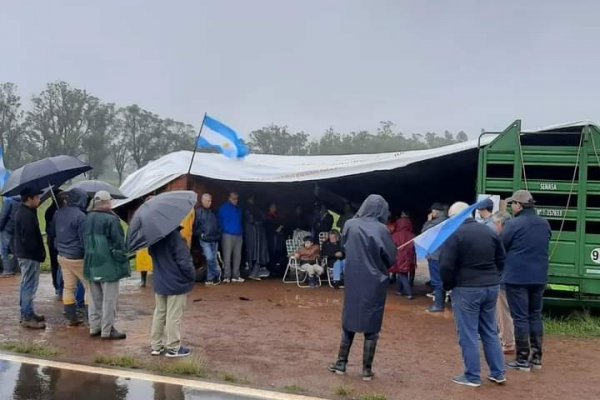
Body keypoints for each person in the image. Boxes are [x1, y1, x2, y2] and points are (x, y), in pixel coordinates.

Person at [328, 195, 396, 381]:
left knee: (349, 321)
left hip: (353, 278)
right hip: (374, 282)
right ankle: (366, 370)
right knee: (372, 327)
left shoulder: (350, 224)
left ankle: (341, 363)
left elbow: (345, 246)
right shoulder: (382, 229)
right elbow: (391, 259)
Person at [440, 202, 506, 387]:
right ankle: (498, 373)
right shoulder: (489, 231)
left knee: (468, 333)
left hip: (466, 289)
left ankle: (472, 376)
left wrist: (448, 286)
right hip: (491, 287)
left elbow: (446, 266)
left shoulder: (454, 234)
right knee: (490, 330)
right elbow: (501, 258)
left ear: (454, 217)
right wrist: (494, 277)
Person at [502, 190, 551, 372]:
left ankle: (522, 360)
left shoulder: (514, 224)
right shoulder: (544, 223)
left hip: (517, 278)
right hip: (539, 277)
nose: (512, 207)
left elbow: (502, 245)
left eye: (512, 204)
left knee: (520, 317)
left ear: (519, 205)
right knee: (535, 315)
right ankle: (536, 359)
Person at [84, 190, 130, 340]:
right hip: (108, 265)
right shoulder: (111, 220)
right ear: (107, 202)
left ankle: (94, 327)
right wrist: (123, 258)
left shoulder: (88, 217)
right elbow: (118, 244)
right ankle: (107, 330)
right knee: (109, 300)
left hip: (91, 263)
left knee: (95, 300)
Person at [148, 226, 196, 358]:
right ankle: (173, 348)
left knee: (159, 313)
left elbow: (151, 253)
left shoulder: (154, 237)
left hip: (160, 281)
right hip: (175, 283)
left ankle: (156, 346)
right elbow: (184, 261)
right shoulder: (175, 237)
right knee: (173, 316)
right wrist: (192, 276)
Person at [53, 188, 92, 326]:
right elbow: (84, 240)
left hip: (62, 256)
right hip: (77, 257)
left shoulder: (58, 213)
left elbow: (54, 233)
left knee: (68, 287)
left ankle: (71, 317)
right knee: (89, 287)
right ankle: (89, 318)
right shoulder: (81, 216)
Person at [13, 188, 46, 329]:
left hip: (26, 254)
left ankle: (28, 312)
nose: (39, 200)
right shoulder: (25, 215)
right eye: (37, 197)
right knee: (29, 286)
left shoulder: (27, 212)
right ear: (29, 198)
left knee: (27, 284)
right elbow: (29, 239)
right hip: (29, 255)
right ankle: (26, 316)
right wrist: (38, 253)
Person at [492, 210, 515, 354]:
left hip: (504, 279)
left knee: (503, 313)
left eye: (495, 224)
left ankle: (507, 343)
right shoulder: (517, 235)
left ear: (500, 223)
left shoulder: (502, 238)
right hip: (517, 278)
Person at [422, 202, 448, 312]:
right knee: (441, 279)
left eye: (432, 211)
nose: (431, 213)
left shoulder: (436, 222)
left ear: (436, 211)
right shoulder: (447, 220)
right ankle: (440, 302)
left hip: (435, 255)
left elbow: (424, 233)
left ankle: (438, 305)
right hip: (444, 254)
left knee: (437, 280)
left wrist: (429, 220)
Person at [195, 193, 221, 285]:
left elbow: (218, 224)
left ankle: (210, 278)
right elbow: (195, 227)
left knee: (212, 258)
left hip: (214, 238)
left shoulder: (214, 212)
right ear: (202, 201)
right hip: (205, 239)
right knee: (210, 258)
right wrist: (201, 235)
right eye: (207, 201)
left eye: (210, 201)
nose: (209, 203)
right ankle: (217, 273)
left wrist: (218, 234)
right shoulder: (198, 212)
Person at [218, 192, 244, 283]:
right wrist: (223, 230)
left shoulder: (239, 209)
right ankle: (226, 276)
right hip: (227, 234)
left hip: (238, 234)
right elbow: (219, 221)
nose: (235, 200)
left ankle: (236, 276)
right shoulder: (223, 208)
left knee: (238, 256)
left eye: (236, 198)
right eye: (233, 198)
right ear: (229, 198)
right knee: (227, 256)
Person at [244, 196, 270, 280]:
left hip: (258, 233)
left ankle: (255, 272)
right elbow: (251, 220)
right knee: (254, 253)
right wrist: (258, 222)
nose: (252, 200)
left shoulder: (257, 209)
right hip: (252, 233)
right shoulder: (247, 209)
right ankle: (253, 273)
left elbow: (264, 218)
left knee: (258, 253)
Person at [390, 216, 416, 299]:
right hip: (410, 257)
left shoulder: (395, 235)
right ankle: (399, 290)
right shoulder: (413, 235)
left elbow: (391, 247)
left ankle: (409, 293)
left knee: (402, 274)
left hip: (399, 257)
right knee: (402, 273)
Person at [45, 190, 63, 300]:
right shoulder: (53, 211)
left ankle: (58, 287)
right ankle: (58, 286)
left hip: (52, 241)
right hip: (54, 241)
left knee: (55, 264)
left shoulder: (50, 211)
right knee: (57, 265)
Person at [0, 195, 20, 277]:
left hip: (7, 229)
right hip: (17, 229)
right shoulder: (21, 200)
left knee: (4, 250)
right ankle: (14, 268)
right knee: (15, 250)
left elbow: (3, 216)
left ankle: (7, 270)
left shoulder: (8, 201)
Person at [265, 202, 286, 276]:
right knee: (271, 253)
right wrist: (276, 229)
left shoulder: (276, 216)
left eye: (275, 207)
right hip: (271, 237)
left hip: (278, 238)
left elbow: (282, 223)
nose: (274, 208)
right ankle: (271, 271)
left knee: (278, 254)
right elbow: (269, 226)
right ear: (270, 208)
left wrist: (280, 228)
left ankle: (277, 271)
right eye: (273, 207)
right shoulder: (268, 216)